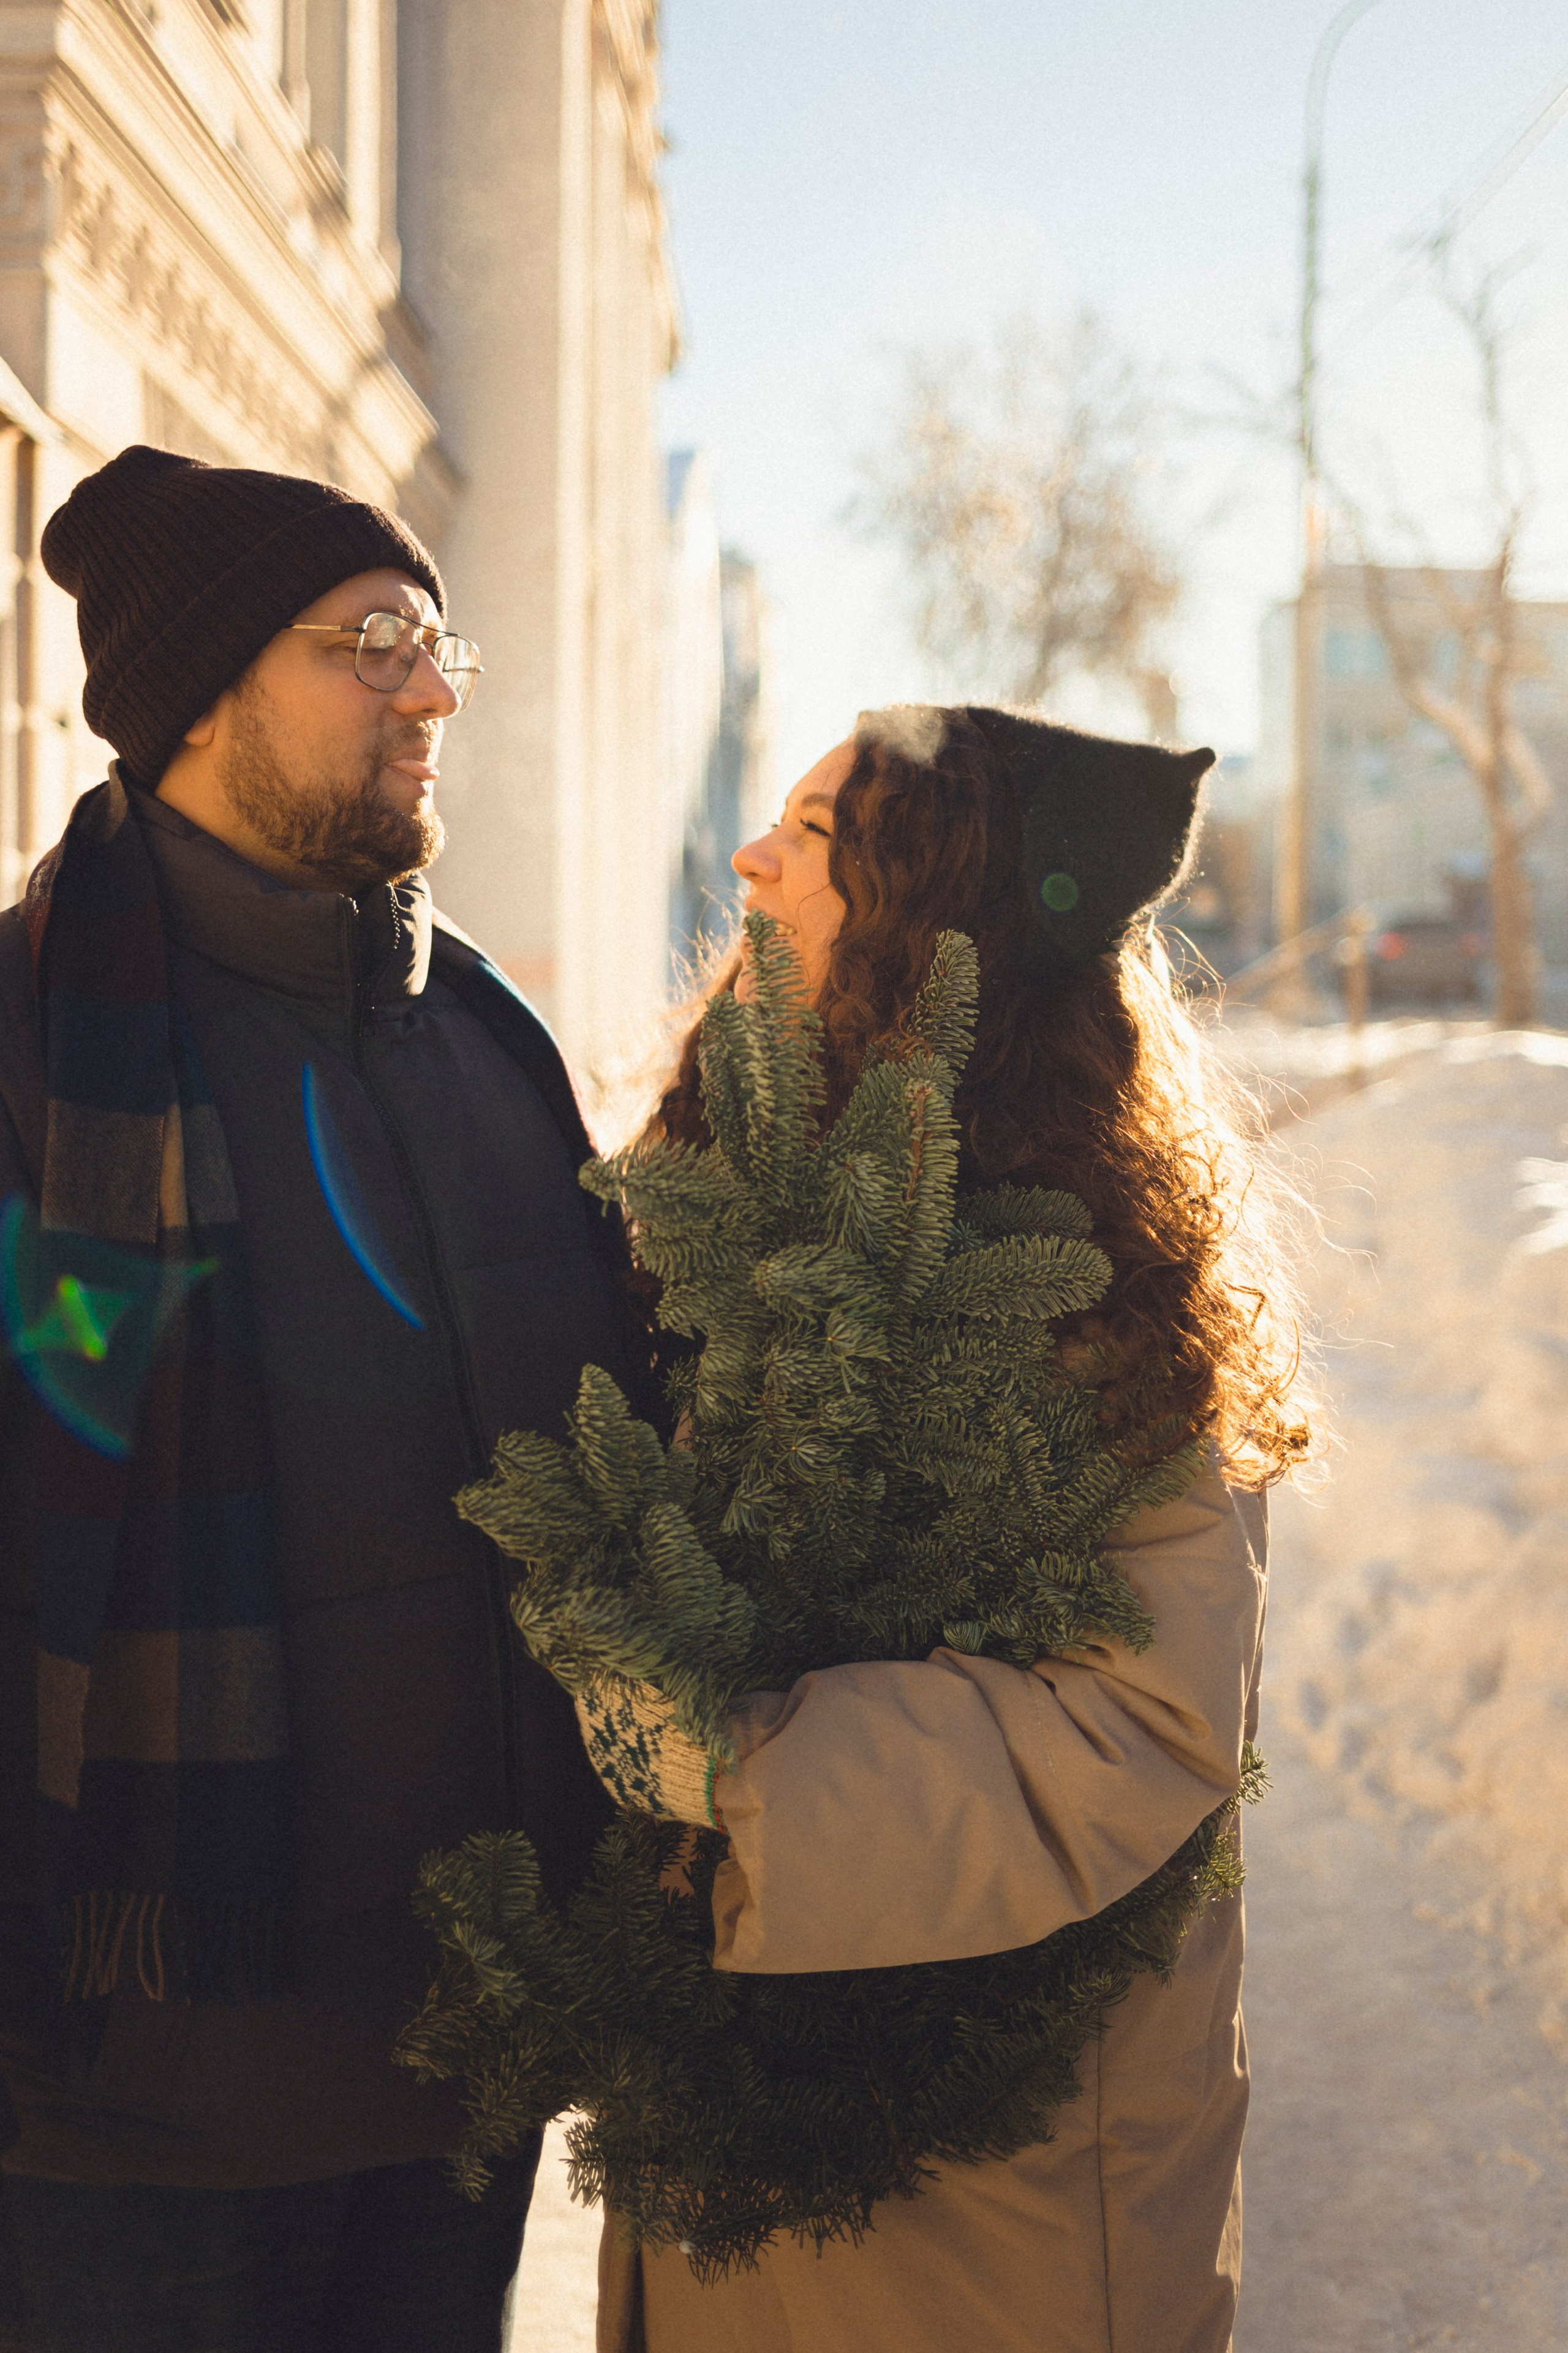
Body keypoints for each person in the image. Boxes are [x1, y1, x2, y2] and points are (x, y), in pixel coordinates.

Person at [0, 447, 641, 2352]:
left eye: (439, 644)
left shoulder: (486, 1039)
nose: (432, 692)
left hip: (462, 2072)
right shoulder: (44, 1061)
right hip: (142, 2113)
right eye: (372, 643)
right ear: (201, 690)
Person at [588, 704, 1309, 2353]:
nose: (752, 858)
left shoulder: (1078, 1278)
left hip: (996, 2185)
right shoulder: (739, 1191)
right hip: (740, 2138)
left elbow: (1140, 1716)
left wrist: (739, 1770)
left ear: (942, 921)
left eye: (819, 832)